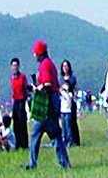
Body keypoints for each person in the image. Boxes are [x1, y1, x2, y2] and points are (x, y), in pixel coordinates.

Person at [27, 40, 71, 169]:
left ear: (39, 53)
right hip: (52, 106)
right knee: (54, 136)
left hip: (47, 108)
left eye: (35, 53)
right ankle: (64, 163)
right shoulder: (49, 63)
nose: (34, 55)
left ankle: (32, 163)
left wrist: (36, 88)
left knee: (38, 134)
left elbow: (48, 84)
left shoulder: (44, 65)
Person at [60, 60, 81, 146]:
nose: (65, 68)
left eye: (66, 66)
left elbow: (76, 89)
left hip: (71, 103)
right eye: (63, 66)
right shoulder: (60, 79)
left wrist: (73, 96)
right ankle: (65, 139)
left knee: (72, 122)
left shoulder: (72, 79)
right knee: (64, 123)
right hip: (63, 103)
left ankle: (74, 139)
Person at [59, 82, 74, 148]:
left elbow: (69, 101)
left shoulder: (70, 94)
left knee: (68, 127)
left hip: (68, 112)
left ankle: (69, 141)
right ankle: (64, 140)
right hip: (62, 112)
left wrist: (66, 93)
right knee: (63, 128)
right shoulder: (61, 94)